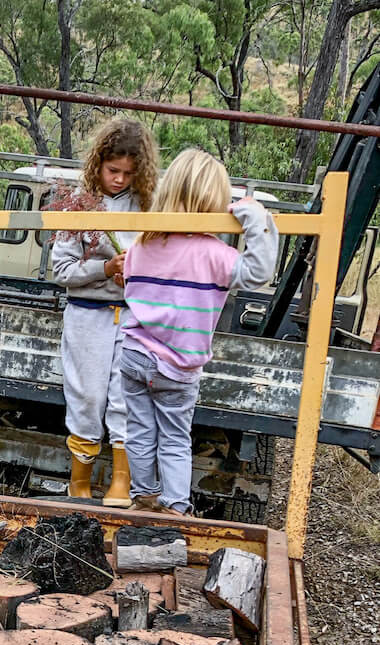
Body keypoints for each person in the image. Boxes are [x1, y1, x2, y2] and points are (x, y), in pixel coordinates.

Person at [120, 148, 279, 516]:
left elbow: (130, 282)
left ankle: (144, 496)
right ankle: (176, 507)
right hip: (177, 365)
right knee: (174, 437)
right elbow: (258, 273)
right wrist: (256, 218)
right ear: (217, 203)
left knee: (140, 430)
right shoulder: (214, 254)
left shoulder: (143, 244)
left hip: (134, 354)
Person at [51, 118, 159, 505]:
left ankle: (121, 480)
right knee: (88, 397)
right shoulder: (80, 202)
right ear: (98, 164)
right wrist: (105, 270)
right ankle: (78, 481)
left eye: (129, 173)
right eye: (113, 170)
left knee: (125, 398)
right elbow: (62, 270)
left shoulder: (149, 205)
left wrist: (139, 274)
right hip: (87, 315)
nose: (119, 179)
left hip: (133, 317)